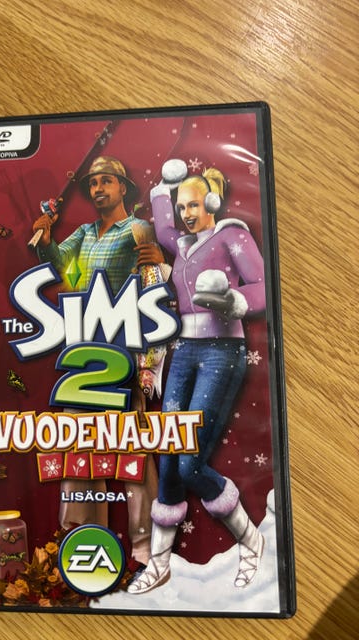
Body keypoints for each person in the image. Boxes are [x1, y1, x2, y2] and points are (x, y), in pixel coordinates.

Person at [128, 166, 266, 594]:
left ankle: (251, 540)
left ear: (211, 203)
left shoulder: (231, 235)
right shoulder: (183, 244)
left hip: (222, 352)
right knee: (169, 456)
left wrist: (234, 300)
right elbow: (163, 228)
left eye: (193, 205)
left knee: (189, 462)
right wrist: (162, 190)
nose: (186, 213)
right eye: (181, 206)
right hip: (184, 352)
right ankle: (160, 563)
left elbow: (263, 285)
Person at [32, 156, 164, 570]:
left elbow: (156, 281)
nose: (97, 189)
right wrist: (46, 237)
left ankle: (147, 545)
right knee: (78, 440)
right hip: (84, 347)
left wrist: (149, 358)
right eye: (92, 183)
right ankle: (78, 535)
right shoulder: (85, 233)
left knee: (130, 444)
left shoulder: (138, 228)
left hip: (122, 346)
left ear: (123, 187)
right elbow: (57, 264)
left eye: (106, 181)